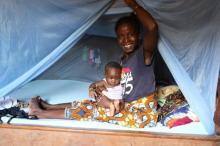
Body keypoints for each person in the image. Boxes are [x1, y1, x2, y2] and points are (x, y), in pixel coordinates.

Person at [29, 0, 158, 128]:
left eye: (131, 34)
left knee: (92, 112)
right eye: (121, 36)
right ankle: (48, 107)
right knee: (91, 103)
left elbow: (152, 27)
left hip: (142, 113)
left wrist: (132, 5)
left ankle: (39, 113)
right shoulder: (123, 60)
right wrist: (96, 86)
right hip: (125, 105)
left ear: (138, 34)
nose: (126, 40)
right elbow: (116, 83)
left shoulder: (144, 53)